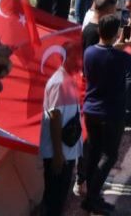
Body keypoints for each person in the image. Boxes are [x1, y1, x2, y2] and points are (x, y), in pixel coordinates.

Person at [81, 14, 131, 214]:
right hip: (111, 113)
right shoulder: (119, 57)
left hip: (91, 110)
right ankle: (92, 196)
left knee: (94, 153)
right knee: (110, 156)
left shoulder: (89, 52)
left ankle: (90, 194)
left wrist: (117, 46)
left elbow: (106, 56)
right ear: (116, 33)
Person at [40, 53, 83, 216]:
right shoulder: (59, 83)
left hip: (66, 152)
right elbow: (55, 118)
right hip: (59, 154)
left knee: (58, 199)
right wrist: (58, 154)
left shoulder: (68, 79)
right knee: (54, 200)